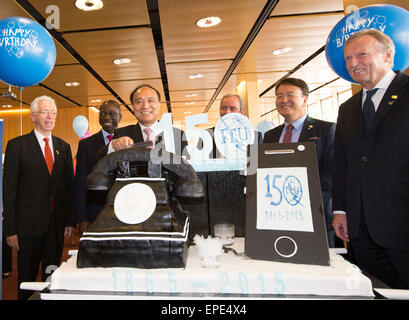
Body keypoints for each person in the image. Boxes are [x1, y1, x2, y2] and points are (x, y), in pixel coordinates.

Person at [332, 29, 409, 289]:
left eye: (361, 55)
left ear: (388, 56)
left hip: (402, 225)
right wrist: (341, 210)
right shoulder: (347, 109)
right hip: (360, 229)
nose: (353, 63)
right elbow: (342, 164)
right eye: (348, 58)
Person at [3, 95, 75, 299]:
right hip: (27, 228)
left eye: (53, 112)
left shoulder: (64, 147)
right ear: (33, 116)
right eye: (45, 112)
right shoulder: (17, 146)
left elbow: (68, 187)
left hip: (56, 226)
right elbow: (9, 191)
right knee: (26, 277)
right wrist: (10, 229)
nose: (50, 116)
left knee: (51, 275)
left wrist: (69, 220)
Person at [263, 78, 336, 247]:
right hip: (278, 217)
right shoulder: (270, 136)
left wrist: (308, 203)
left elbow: (331, 174)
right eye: (279, 96)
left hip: (316, 215)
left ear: (305, 99)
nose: (283, 100)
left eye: (290, 95)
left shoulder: (326, 130)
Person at [98, 84, 186, 157]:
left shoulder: (177, 135)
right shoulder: (121, 133)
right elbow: (99, 158)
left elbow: (187, 171)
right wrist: (113, 145)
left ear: (159, 104)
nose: (145, 106)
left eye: (150, 100)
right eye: (139, 101)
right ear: (133, 106)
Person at [74, 100, 122, 234]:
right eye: (103, 114)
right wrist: (82, 217)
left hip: (124, 209)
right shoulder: (86, 145)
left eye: (112, 113)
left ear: (120, 117)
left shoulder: (130, 140)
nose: (107, 117)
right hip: (95, 212)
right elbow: (80, 183)